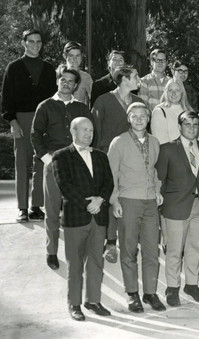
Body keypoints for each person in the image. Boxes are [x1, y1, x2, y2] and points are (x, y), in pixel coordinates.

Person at [31, 65, 93, 270]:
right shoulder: (45, 106)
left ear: (76, 86)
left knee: (76, 209)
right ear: (58, 81)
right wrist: (48, 159)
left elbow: (91, 134)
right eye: (63, 79)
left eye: (71, 81)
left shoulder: (82, 108)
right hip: (54, 163)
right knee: (52, 209)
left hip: (77, 165)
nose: (66, 83)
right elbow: (35, 135)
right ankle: (51, 252)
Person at [51, 117, 114, 321]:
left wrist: (100, 199)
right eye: (84, 130)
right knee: (75, 264)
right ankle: (74, 304)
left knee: (96, 262)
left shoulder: (101, 156)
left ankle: (93, 301)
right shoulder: (61, 156)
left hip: (99, 219)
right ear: (73, 131)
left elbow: (108, 183)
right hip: (76, 218)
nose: (88, 134)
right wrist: (89, 204)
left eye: (91, 130)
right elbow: (65, 186)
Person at [107, 103, 166, 313]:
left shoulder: (155, 142)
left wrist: (158, 190)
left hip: (150, 202)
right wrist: (115, 200)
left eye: (143, 116)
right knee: (129, 250)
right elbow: (110, 175)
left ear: (149, 118)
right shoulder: (119, 142)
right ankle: (132, 294)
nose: (139, 119)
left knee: (151, 250)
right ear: (128, 118)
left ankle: (150, 292)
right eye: (135, 116)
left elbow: (157, 171)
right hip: (128, 201)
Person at [155, 111, 199, 306]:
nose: (192, 128)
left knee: (195, 248)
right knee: (174, 250)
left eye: (196, 124)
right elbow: (159, 182)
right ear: (179, 127)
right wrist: (161, 215)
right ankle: (172, 288)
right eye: (187, 124)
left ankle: (192, 284)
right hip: (175, 208)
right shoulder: (167, 149)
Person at [1, 29, 57, 223]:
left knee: (41, 162)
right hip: (22, 119)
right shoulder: (14, 67)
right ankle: (22, 208)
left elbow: (53, 98)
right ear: (24, 43)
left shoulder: (49, 69)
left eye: (38, 42)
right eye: (31, 41)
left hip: (44, 119)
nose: (35, 45)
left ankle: (36, 206)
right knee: (22, 163)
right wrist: (12, 121)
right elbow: (6, 97)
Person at [92, 65, 144, 263]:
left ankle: (129, 243)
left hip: (132, 160)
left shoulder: (138, 102)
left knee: (128, 200)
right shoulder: (103, 100)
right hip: (107, 158)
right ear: (124, 79)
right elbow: (95, 131)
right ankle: (111, 243)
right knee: (109, 200)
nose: (139, 78)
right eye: (135, 76)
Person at [151, 78, 192, 145]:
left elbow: (198, 139)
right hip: (171, 153)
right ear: (166, 92)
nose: (174, 93)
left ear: (182, 92)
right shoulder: (160, 111)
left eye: (177, 90)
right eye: (170, 90)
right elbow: (161, 142)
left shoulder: (188, 110)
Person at [62, 41, 93, 106]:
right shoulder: (59, 75)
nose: (74, 59)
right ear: (65, 56)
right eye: (71, 56)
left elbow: (93, 99)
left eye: (77, 56)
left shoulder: (86, 77)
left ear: (82, 57)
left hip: (79, 114)